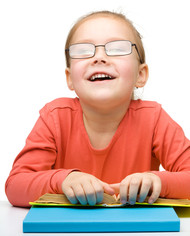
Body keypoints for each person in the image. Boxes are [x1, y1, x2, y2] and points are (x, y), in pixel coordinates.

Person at [5, 11, 190, 207]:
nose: (99, 57)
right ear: (70, 78)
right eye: (84, 50)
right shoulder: (54, 117)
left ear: (141, 75)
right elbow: (15, 186)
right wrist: (64, 180)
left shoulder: (154, 119)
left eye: (118, 48)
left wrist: (157, 181)